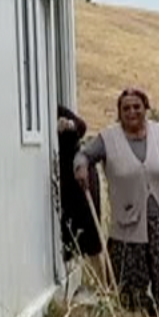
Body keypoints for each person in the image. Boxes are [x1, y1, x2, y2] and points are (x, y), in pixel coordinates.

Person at [75, 87, 159, 317]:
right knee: (131, 273)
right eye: (126, 108)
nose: (132, 112)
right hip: (129, 219)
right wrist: (81, 167)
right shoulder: (108, 139)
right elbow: (84, 155)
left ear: (146, 108)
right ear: (119, 112)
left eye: (137, 106)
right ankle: (146, 313)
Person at [55, 104, 106, 270]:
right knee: (66, 235)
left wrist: (69, 125)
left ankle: (104, 290)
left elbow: (82, 126)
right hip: (61, 183)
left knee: (91, 237)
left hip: (80, 176)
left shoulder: (54, 109)